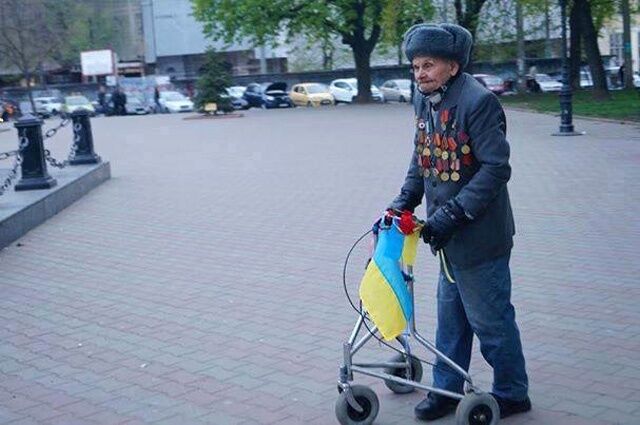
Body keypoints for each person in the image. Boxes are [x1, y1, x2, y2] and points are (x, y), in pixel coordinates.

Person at [388, 23, 530, 421]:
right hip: (448, 237)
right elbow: (423, 157)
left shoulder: (478, 102)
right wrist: (404, 200)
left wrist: (452, 213)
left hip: (480, 236)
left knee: (491, 321)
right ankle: (446, 390)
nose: (420, 74)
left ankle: (513, 393)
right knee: (450, 320)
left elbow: (496, 168)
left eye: (428, 65)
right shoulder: (425, 100)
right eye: (416, 66)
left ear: (452, 66)